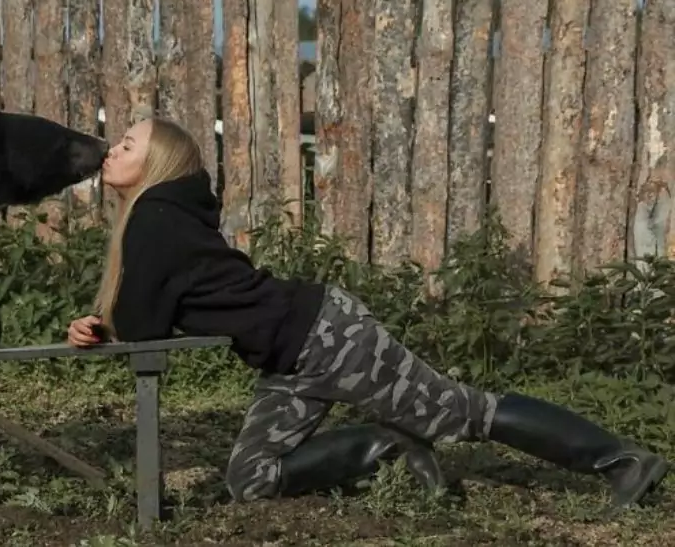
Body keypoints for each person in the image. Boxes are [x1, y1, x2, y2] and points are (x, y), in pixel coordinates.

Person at [66, 116, 668, 508]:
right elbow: (147, 310)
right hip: (290, 356)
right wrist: (99, 325)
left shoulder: (156, 219)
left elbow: (145, 324)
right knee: (250, 479)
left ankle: (622, 461)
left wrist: (109, 325)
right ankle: (385, 445)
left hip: (329, 340)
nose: (113, 149)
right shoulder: (161, 218)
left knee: (462, 411)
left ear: (158, 165)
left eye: (127, 144)